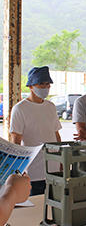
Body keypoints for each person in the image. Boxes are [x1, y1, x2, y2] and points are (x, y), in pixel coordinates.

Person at [10, 66, 62, 195]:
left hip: (53, 167)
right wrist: (18, 167)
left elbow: (56, 134)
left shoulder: (51, 106)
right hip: (32, 170)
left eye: (47, 84)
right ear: (31, 86)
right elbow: (16, 139)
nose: (45, 87)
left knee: (54, 205)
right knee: (35, 207)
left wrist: (61, 159)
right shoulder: (20, 109)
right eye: (41, 84)